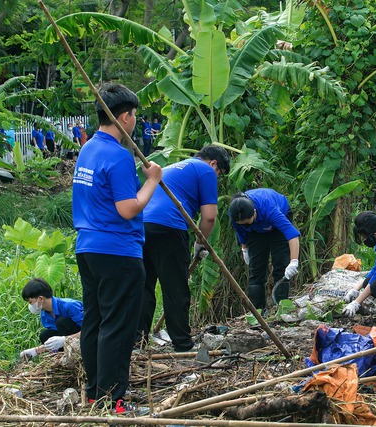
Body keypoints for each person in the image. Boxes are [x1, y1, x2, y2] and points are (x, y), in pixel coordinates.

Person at [72, 83, 162, 411]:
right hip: (118, 251)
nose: (135, 121)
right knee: (118, 326)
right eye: (134, 115)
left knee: (95, 322)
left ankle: (96, 392)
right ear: (124, 117)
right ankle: (113, 401)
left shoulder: (88, 149)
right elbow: (127, 208)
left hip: (88, 249)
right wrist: (152, 181)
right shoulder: (118, 155)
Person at [137, 145, 230, 352]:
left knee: (144, 286)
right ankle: (181, 343)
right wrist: (200, 243)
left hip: (142, 226)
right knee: (175, 287)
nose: (217, 177)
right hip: (169, 227)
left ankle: (138, 342)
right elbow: (209, 216)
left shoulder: (173, 167)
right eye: (220, 173)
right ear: (214, 163)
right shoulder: (205, 170)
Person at [228, 189, 300, 310]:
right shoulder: (235, 214)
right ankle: (258, 312)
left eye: (248, 222)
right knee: (256, 269)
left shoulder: (269, 209)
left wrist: (294, 261)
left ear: (254, 212)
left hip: (277, 226)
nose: (246, 225)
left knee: (281, 263)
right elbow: (241, 232)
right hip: (256, 232)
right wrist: (244, 248)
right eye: (243, 224)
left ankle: (282, 308)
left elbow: (292, 234)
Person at [19, 278, 84, 360]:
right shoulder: (44, 316)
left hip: (86, 341)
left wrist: (65, 340)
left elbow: (90, 330)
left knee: (62, 322)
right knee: (45, 335)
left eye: (30, 302)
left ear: (41, 299)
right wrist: (36, 351)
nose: (30, 305)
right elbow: (55, 341)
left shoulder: (70, 306)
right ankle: (65, 357)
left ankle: (78, 356)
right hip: (69, 344)